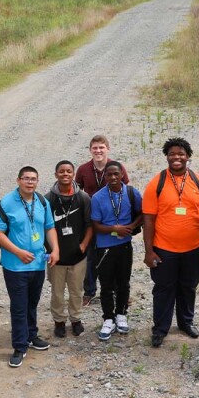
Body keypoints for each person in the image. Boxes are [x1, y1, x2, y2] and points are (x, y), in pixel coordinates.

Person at [142, 137, 199, 348]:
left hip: (193, 248)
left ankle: (185, 323)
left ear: (188, 157)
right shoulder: (157, 183)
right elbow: (148, 219)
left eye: (181, 154)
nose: (176, 157)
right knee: (163, 288)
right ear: (167, 157)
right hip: (164, 249)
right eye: (172, 154)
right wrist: (149, 251)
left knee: (188, 287)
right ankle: (160, 329)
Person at [0, 166, 60, 368]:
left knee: (32, 303)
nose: (30, 182)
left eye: (33, 179)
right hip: (15, 266)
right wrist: (18, 252)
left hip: (38, 264)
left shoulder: (41, 201)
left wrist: (55, 249)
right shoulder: (6, 203)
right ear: (18, 180)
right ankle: (20, 346)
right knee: (19, 306)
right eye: (26, 179)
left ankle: (31, 335)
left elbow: (49, 227)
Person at [74, 135, 130, 307]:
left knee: (113, 256)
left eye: (101, 148)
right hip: (90, 220)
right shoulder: (83, 169)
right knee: (90, 257)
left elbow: (125, 190)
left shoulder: (117, 167)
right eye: (95, 148)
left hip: (111, 219)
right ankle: (89, 291)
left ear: (108, 148)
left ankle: (118, 292)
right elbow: (77, 193)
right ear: (90, 150)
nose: (98, 151)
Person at [91, 161, 143, 341]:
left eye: (116, 174)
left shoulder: (131, 192)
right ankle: (108, 318)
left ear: (122, 174)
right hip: (105, 247)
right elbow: (96, 225)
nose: (113, 178)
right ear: (105, 177)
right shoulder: (98, 198)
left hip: (125, 246)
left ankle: (121, 314)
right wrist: (115, 228)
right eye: (109, 175)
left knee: (123, 282)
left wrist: (131, 226)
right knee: (106, 285)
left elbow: (143, 213)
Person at [44, 161, 92, 338]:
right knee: (57, 292)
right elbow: (42, 227)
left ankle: (76, 319)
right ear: (56, 174)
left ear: (73, 174)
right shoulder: (47, 199)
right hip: (56, 257)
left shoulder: (83, 198)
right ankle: (59, 321)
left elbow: (90, 225)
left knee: (76, 291)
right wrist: (48, 250)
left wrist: (84, 245)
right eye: (62, 171)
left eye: (69, 171)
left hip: (78, 256)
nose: (65, 174)